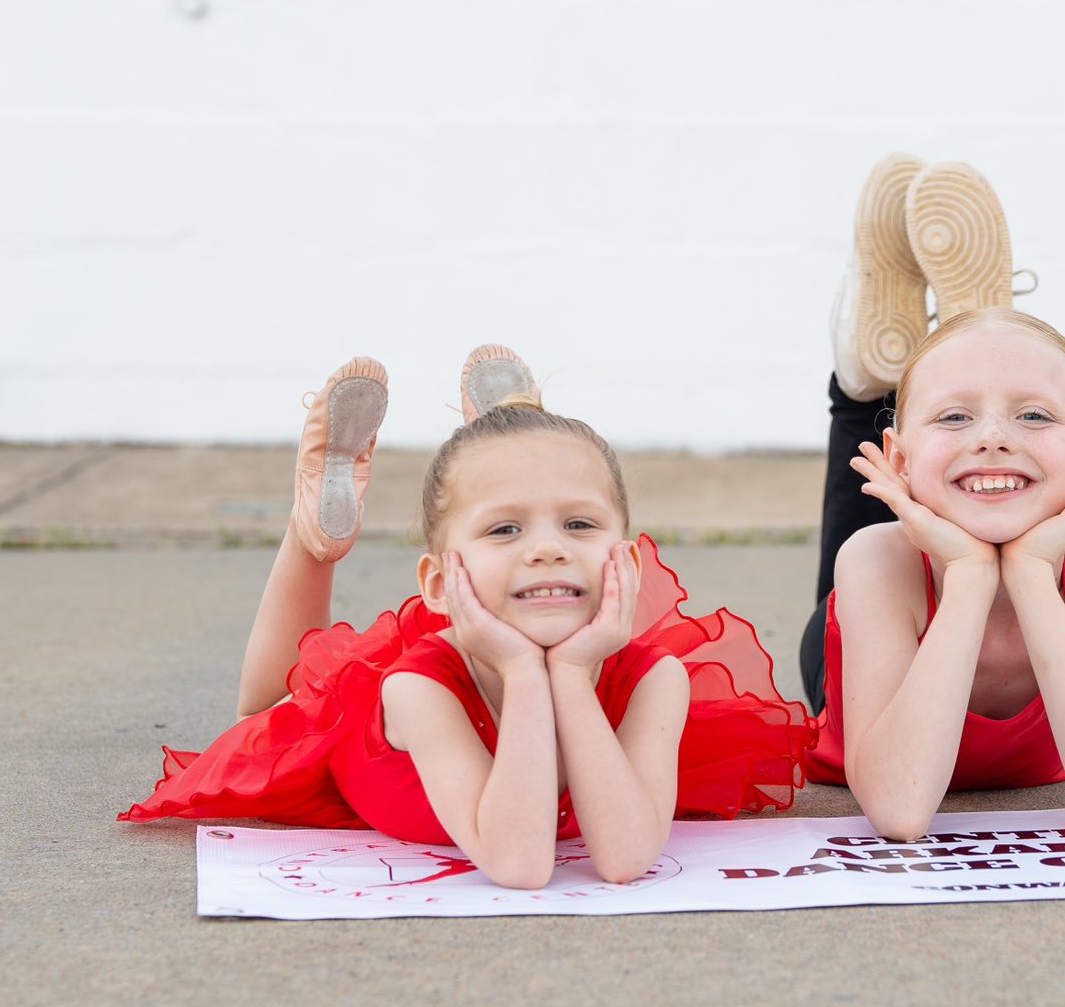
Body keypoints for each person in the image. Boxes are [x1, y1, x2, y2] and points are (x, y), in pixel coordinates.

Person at [122, 348, 811, 889]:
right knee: (265, 720)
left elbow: (627, 856)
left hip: (505, 626)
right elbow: (518, 862)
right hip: (421, 702)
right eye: (506, 529)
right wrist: (519, 666)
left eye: (577, 522)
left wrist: (569, 673)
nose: (548, 548)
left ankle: (508, 438)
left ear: (626, 559)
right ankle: (313, 538)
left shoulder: (655, 677)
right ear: (438, 584)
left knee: (511, 506)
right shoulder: (415, 688)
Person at [801, 157, 1065, 840]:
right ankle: (865, 388)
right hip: (879, 603)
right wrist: (968, 575)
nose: (995, 439)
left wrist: (1030, 571)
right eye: (959, 417)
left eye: (1034, 417)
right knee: (887, 475)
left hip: (945, 510)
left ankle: (968, 337)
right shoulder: (877, 559)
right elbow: (901, 811)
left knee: (936, 433)